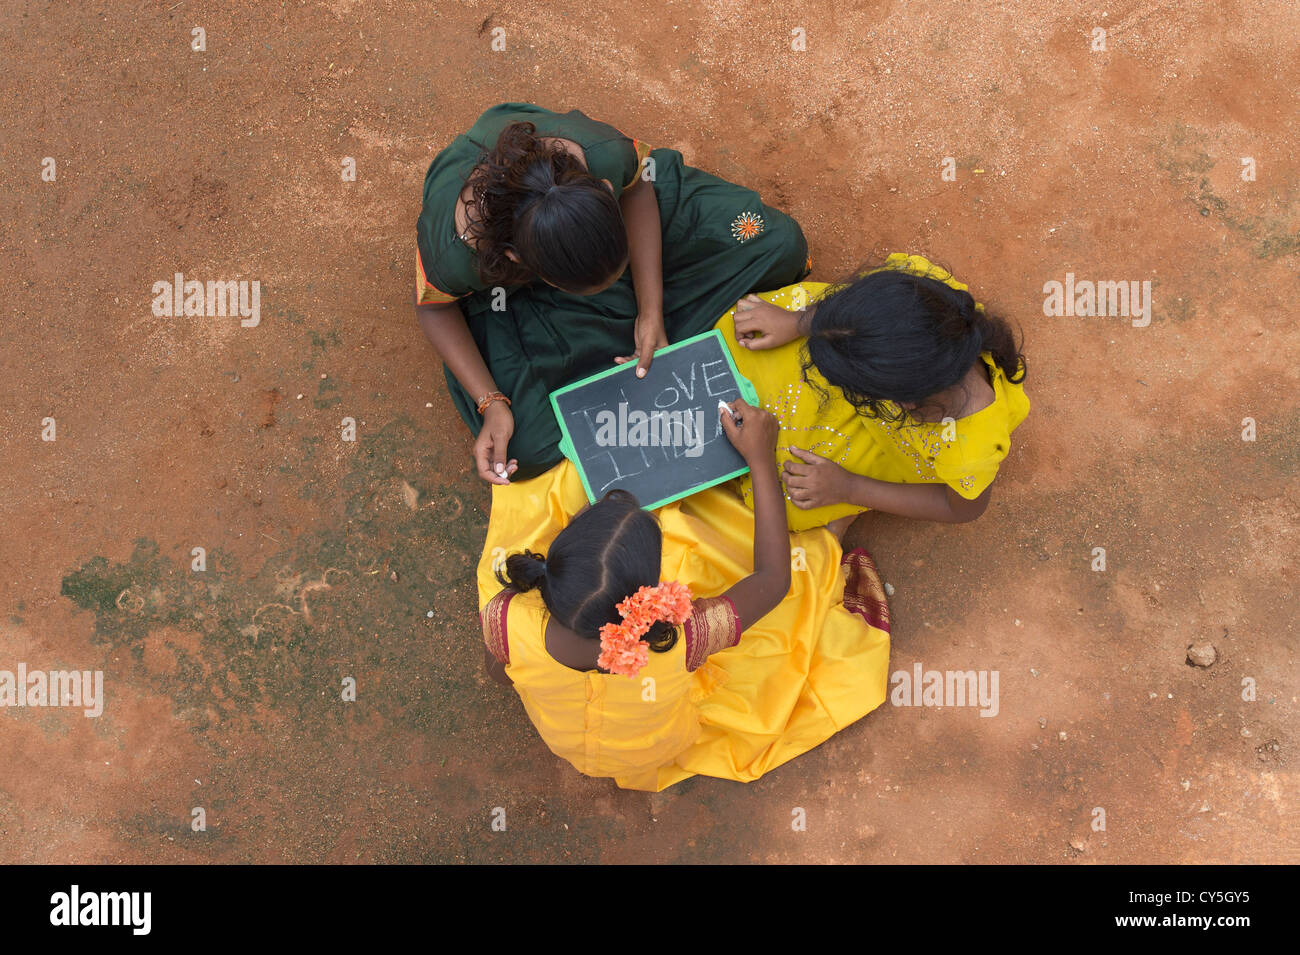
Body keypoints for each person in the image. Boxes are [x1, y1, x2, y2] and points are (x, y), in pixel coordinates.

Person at [478, 400, 891, 792]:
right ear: (646, 598)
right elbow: (772, 579)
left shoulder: (506, 620)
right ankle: (826, 543)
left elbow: (501, 674)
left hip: (571, 750)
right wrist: (761, 460)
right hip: (662, 747)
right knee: (788, 582)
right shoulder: (682, 638)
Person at [415, 102, 810, 485]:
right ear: (515, 259)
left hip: (605, 242)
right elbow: (434, 309)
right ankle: (642, 325)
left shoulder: (603, 155)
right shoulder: (458, 253)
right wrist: (492, 403)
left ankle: (635, 328)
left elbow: (638, 190)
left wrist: (650, 309)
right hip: (518, 299)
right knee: (524, 447)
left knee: (780, 245)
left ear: (605, 191)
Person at [720, 253, 1031, 533]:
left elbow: (960, 508)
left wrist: (849, 488)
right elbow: (863, 312)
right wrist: (798, 322)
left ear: (896, 402)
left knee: (790, 502)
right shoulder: (917, 294)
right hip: (893, 380)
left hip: (892, 444)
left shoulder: (968, 453)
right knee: (734, 342)